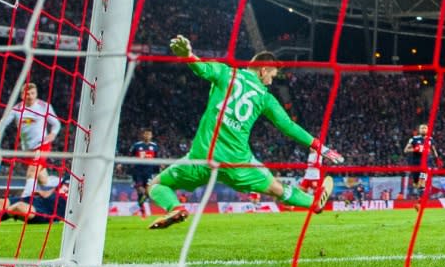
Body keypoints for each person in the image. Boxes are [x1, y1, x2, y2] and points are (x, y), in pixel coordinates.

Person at [146, 35, 344, 229]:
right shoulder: (265, 98)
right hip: (237, 162)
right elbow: (287, 126)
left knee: (155, 185)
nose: (271, 82)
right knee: (275, 188)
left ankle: (175, 207)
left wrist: (188, 55)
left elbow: (202, 69)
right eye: (271, 76)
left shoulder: (226, 73)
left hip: (201, 158)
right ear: (263, 70)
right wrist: (319, 146)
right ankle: (313, 202)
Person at [0, 82, 62, 197]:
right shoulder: (16, 109)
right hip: (27, 149)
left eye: (32, 93)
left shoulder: (44, 106)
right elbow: (3, 123)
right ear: (22, 95)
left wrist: (53, 134)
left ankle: (25, 197)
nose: (30, 96)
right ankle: (63, 181)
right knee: (43, 180)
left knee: (32, 171)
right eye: (27, 94)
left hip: (42, 145)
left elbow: (56, 124)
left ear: (36, 94)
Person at [127, 128, 159, 218]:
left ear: (151, 136)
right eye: (146, 134)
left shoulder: (155, 146)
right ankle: (143, 212)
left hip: (149, 172)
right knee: (141, 191)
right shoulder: (137, 145)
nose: (147, 136)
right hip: (138, 172)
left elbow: (156, 159)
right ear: (143, 135)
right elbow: (130, 156)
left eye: (149, 134)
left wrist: (158, 169)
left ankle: (137, 208)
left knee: (147, 193)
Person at [404, 123, 439, 199]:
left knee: (422, 181)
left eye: (425, 128)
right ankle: (419, 195)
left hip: (426, 164)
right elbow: (406, 150)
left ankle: (421, 200)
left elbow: (433, 150)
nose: (424, 129)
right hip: (415, 163)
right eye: (422, 128)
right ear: (419, 130)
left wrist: (437, 159)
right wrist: (416, 149)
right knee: (416, 183)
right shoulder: (413, 139)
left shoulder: (430, 139)